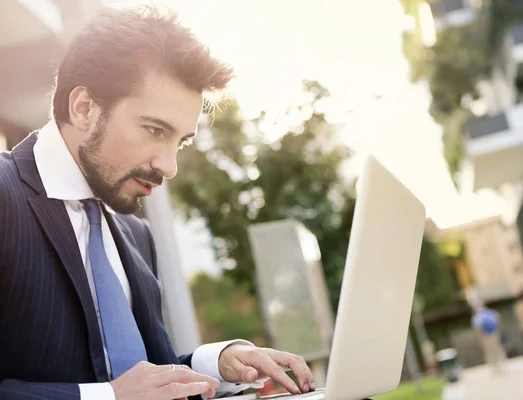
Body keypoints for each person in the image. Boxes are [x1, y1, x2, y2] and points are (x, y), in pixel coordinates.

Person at [0, 6, 315, 400]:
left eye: (180, 142)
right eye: (154, 130)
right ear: (83, 109)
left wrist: (215, 361)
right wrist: (108, 398)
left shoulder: (135, 235)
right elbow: (116, 391)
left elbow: (134, 377)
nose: (169, 167)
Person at [471, 303, 506, 374]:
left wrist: (480, 339)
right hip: (495, 334)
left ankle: (494, 367)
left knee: (489, 352)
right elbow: (499, 322)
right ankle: (501, 365)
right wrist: (500, 332)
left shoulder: (477, 317)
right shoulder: (492, 313)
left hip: (485, 337)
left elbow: (477, 329)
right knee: (498, 349)